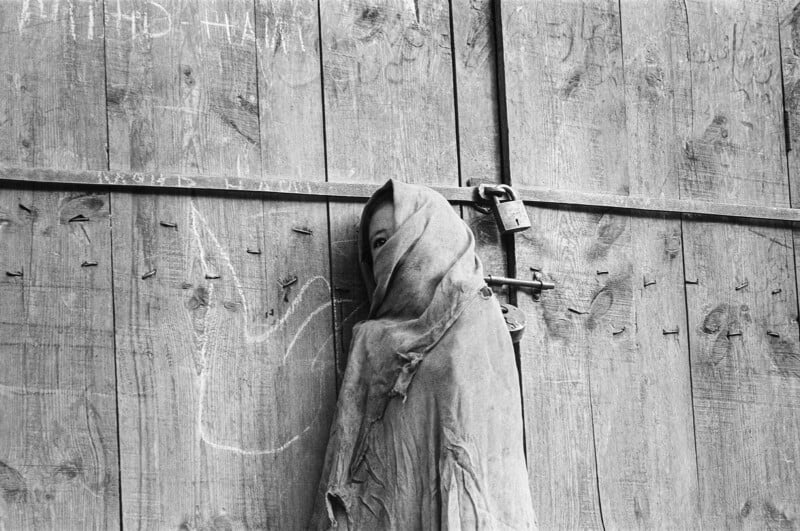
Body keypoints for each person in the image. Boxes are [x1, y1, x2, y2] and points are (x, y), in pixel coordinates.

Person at [311, 180, 536, 530]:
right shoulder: (370, 339)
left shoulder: (474, 312)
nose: (392, 250)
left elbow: (482, 454)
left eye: (404, 235)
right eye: (380, 243)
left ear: (432, 234)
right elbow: (345, 459)